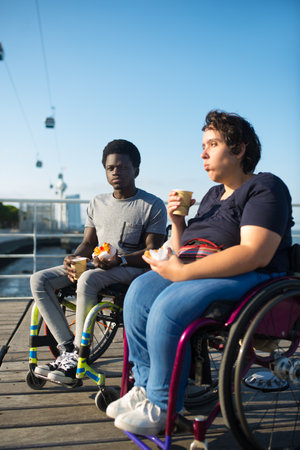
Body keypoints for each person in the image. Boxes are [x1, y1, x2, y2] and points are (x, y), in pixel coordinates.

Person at [106, 110, 294, 436]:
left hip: (251, 277)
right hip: (200, 269)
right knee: (138, 292)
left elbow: (255, 252)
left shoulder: (265, 187)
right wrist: (177, 225)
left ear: (239, 150)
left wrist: (179, 274)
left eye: (213, 144)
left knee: (170, 304)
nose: (203, 153)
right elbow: (184, 251)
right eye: (203, 145)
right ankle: (146, 387)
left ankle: (162, 404)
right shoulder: (211, 196)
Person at [30, 139, 167, 385]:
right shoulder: (97, 202)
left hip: (132, 269)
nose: (116, 172)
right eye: (110, 168)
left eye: (123, 167)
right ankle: (69, 349)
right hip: (97, 265)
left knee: (88, 278)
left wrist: (120, 260)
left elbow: (152, 251)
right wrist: (74, 257)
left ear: (136, 170)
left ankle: (79, 356)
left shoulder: (152, 205)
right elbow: (88, 242)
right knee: (39, 279)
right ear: (105, 171)